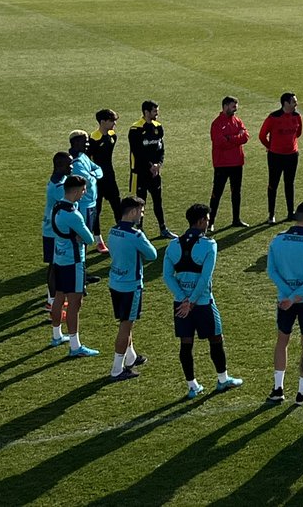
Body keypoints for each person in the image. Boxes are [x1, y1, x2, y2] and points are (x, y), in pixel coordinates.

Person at [163, 203, 243, 398]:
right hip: (203, 303)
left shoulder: (173, 245)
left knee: (186, 343)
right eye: (207, 219)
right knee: (216, 339)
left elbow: (167, 276)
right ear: (200, 221)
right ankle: (223, 380)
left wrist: (183, 299)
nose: (208, 222)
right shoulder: (209, 245)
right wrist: (191, 301)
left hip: (180, 304)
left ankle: (192, 386)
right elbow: (205, 278)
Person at [267, 201, 303, 404]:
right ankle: (302, 392)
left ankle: (277, 389)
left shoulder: (277, 240)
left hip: (283, 300)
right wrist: (296, 297)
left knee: (282, 341)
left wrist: (287, 295)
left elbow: (271, 271)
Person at [107, 197, 158, 381]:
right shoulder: (136, 235)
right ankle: (117, 368)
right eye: (141, 211)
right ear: (134, 211)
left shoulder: (112, 231)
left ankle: (131, 356)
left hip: (115, 282)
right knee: (126, 326)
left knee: (125, 322)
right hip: (131, 285)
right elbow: (152, 254)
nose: (142, 215)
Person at [48, 174, 99, 358]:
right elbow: (89, 239)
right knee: (75, 303)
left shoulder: (57, 206)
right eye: (83, 190)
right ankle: (75, 345)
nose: (85, 192)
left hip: (59, 259)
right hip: (74, 262)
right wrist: (78, 236)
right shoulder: (73, 215)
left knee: (59, 297)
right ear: (76, 191)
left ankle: (56, 336)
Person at [129, 100, 174, 239]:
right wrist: (150, 165)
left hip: (154, 172)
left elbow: (161, 148)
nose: (157, 114)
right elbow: (137, 152)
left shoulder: (158, 127)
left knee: (157, 200)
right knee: (139, 202)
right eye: (154, 111)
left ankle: (163, 228)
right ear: (146, 112)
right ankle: (139, 229)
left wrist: (158, 164)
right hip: (141, 172)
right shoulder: (135, 129)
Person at [259, 92, 303, 224]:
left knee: (290, 183)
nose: (296, 104)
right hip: (275, 156)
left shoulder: (297, 116)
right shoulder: (273, 117)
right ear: (286, 103)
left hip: (292, 155)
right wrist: (271, 147)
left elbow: (298, 133)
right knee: (273, 184)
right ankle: (271, 214)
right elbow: (262, 135)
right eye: (294, 101)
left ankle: (291, 212)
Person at [210, 96, 250, 229]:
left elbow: (246, 137)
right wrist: (236, 139)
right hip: (222, 164)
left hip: (237, 163)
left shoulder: (237, 121)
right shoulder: (217, 123)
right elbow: (220, 143)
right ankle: (210, 222)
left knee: (236, 192)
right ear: (225, 106)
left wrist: (230, 138)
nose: (235, 109)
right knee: (217, 193)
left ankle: (236, 219)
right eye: (233, 106)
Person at [42, 151, 73, 314]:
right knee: (54, 266)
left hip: (51, 228)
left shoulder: (58, 180)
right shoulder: (58, 187)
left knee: (54, 265)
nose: (72, 167)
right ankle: (52, 302)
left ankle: (51, 298)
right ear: (60, 165)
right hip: (53, 231)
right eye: (69, 164)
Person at [69, 130, 107, 259]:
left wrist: (93, 175)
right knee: (82, 237)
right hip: (83, 204)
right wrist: (93, 176)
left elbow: (98, 169)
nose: (87, 144)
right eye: (85, 141)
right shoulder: (75, 162)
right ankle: (79, 266)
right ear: (76, 142)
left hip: (90, 202)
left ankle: (81, 265)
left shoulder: (82, 156)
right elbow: (88, 182)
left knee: (85, 236)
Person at [88, 109, 122, 225]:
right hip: (97, 178)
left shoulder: (113, 136)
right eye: (112, 121)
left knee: (117, 204)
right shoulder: (93, 139)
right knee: (97, 208)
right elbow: (89, 160)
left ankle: (122, 229)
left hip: (110, 176)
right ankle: (98, 239)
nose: (115, 123)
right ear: (102, 122)